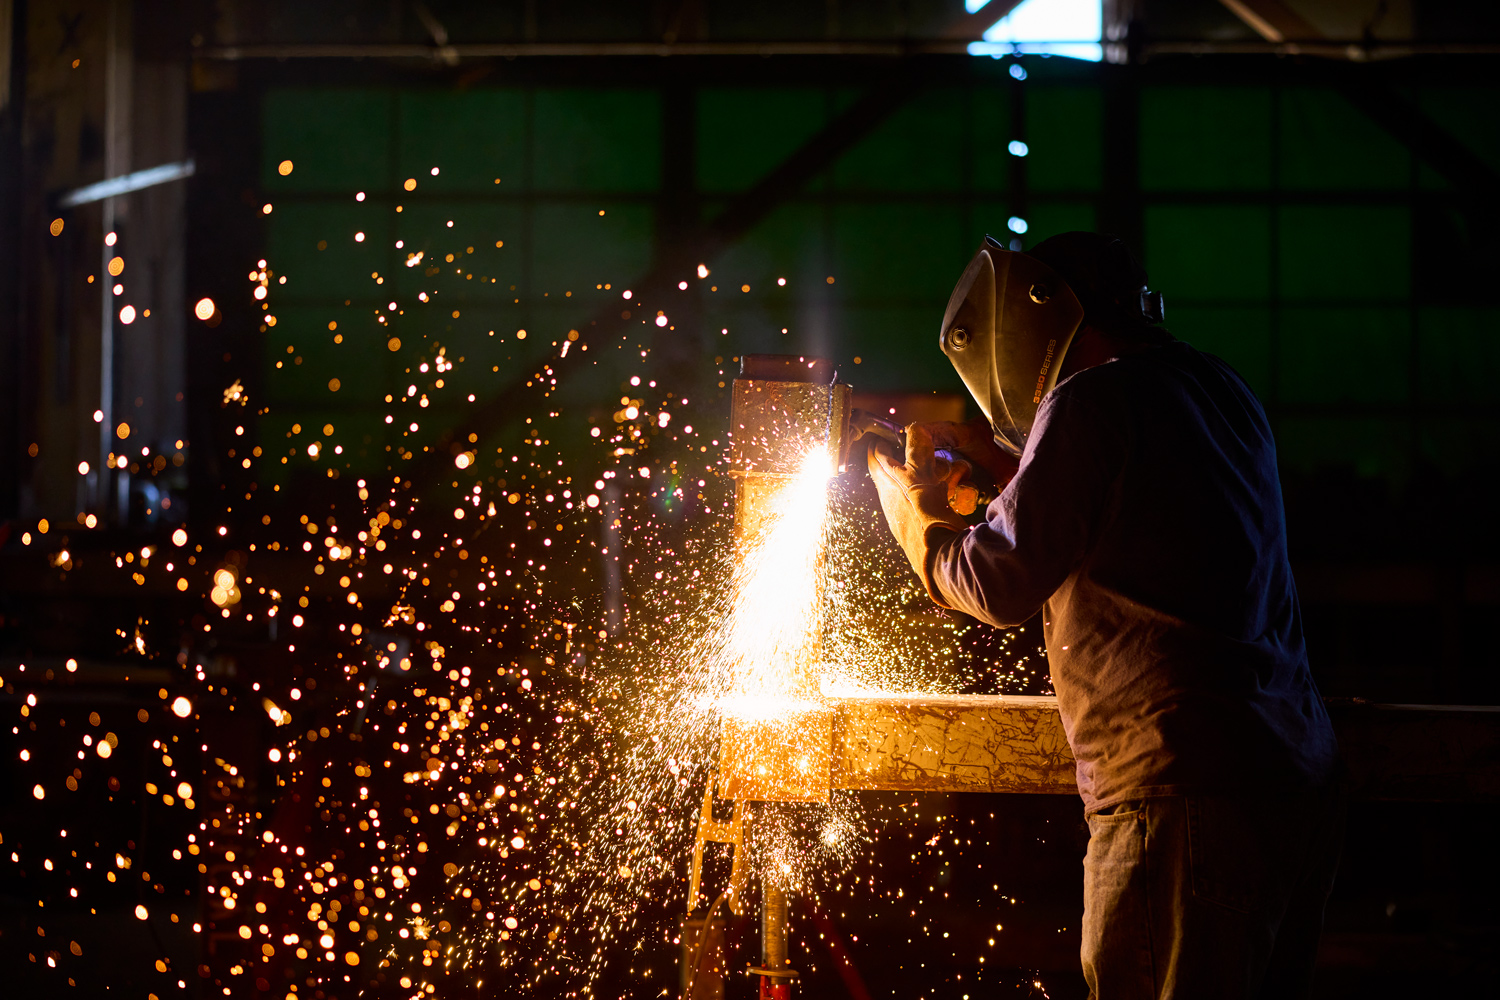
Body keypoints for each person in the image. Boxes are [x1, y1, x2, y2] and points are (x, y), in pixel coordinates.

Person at [866, 232, 1343, 1000]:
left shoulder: (1087, 401)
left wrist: (917, 520)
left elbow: (997, 580)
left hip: (1178, 793)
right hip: (1290, 784)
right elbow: (1127, 508)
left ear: (1037, 317)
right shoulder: (1218, 387)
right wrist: (1001, 469)